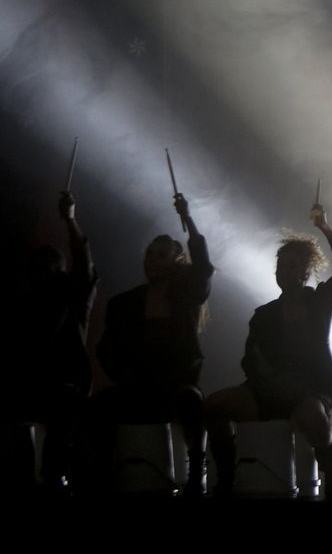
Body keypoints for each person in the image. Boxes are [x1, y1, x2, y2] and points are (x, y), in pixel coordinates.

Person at [204, 200, 332, 498]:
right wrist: (267, 380)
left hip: (311, 388)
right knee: (214, 406)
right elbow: (250, 361)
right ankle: (226, 476)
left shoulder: (320, 302)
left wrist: (325, 227)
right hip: (266, 390)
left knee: (314, 416)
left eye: (291, 266)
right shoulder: (263, 315)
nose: (283, 271)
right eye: (279, 265)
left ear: (305, 272)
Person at [91, 192, 213, 496]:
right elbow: (107, 348)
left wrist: (187, 218)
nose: (152, 260)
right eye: (149, 254)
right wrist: (123, 375)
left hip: (176, 385)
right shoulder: (125, 303)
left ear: (175, 261)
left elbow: (202, 265)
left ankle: (197, 470)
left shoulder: (186, 296)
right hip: (137, 386)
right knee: (97, 407)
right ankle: (99, 476)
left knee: (192, 403)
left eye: (160, 255)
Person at [0, 190, 97, 494]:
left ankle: (55, 475)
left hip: (66, 385)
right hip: (34, 383)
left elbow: (82, 263)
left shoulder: (71, 295)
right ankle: (26, 475)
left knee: (63, 406)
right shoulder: (26, 306)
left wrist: (70, 221)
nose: (43, 277)